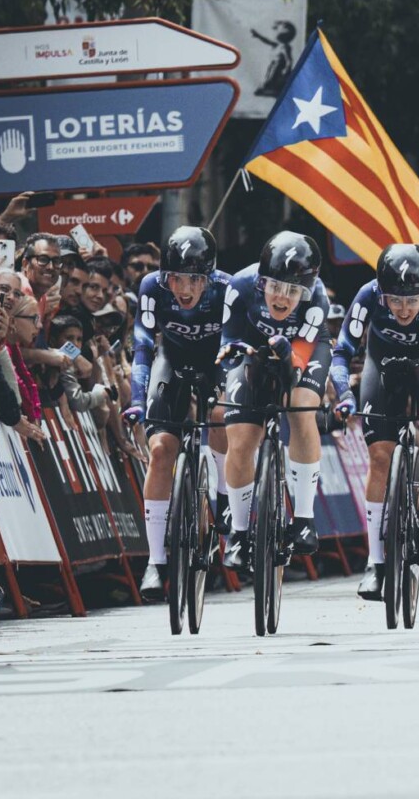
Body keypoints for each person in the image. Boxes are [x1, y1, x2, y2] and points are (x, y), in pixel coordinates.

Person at [330, 243, 419, 601]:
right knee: (380, 456)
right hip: (381, 359)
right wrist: (344, 394)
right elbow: (342, 352)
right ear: (382, 293)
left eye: (413, 301)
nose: (405, 309)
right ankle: (375, 564)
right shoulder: (367, 295)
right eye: (395, 301)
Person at [124, 226, 231, 600]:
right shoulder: (151, 287)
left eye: (194, 280)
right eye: (175, 279)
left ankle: (224, 498)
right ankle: (156, 561)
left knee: (220, 414)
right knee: (160, 450)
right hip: (171, 358)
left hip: (216, 359)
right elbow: (142, 344)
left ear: (209, 277)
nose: (184, 289)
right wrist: (138, 399)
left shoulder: (226, 288)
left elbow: (234, 343)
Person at [217, 231, 330, 570]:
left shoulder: (317, 298)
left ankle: (304, 519)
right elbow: (228, 341)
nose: (282, 297)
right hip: (250, 345)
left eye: (293, 291)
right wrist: (234, 363)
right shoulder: (239, 285)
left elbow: (297, 363)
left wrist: (285, 355)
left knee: (300, 406)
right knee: (241, 437)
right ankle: (238, 533)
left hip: (305, 348)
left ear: (305, 291)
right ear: (261, 282)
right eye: (275, 287)